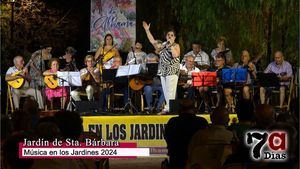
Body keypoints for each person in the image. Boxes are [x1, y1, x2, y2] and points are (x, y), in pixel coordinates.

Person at [143, 21, 180, 114]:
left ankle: (169, 108)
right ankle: (168, 108)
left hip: (172, 70)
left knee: (171, 90)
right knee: (166, 91)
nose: (170, 36)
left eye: (172, 35)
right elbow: (152, 41)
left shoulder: (176, 45)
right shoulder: (163, 45)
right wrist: (147, 30)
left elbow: (175, 55)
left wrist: (171, 44)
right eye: (168, 35)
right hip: (163, 71)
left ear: (174, 37)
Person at [164, 99, 208, 169]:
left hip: (177, 159)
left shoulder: (173, 122)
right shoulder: (202, 122)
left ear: (179, 109)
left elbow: (167, 138)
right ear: (194, 109)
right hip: (197, 159)